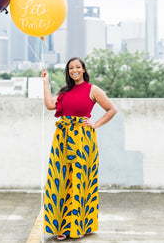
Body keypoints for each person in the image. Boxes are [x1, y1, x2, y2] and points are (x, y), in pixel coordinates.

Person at [41, 57, 117, 241]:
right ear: (68, 72)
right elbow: (51, 105)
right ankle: (61, 226)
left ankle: (79, 225)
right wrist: (46, 82)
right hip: (62, 140)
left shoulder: (93, 90)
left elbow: (111, 109)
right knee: (60, 179)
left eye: (77, 67)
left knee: (79, 181)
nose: (74, 70)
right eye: (70, 68)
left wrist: (95, 124)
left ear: (83, 69)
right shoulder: (65, 91)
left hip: (83, 140)